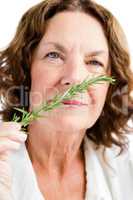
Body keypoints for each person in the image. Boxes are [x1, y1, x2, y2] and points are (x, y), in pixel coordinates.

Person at [0, 0, 133, 199]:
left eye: (94, 62)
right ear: (26, 71)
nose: (75, 77)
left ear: (109, 85)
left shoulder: (125, 168)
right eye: (54, 55)